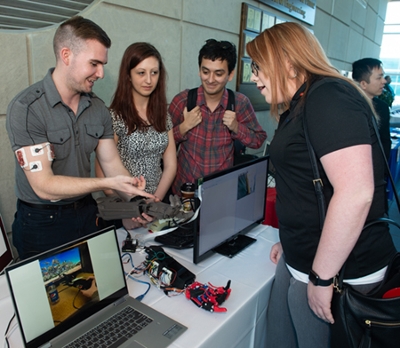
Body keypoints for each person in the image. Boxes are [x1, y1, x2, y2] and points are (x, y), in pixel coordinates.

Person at [246, 22, 396, 347]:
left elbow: (355, 193)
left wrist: (321, 276)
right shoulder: (304, 101)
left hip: (338, 270)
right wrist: (292, 238)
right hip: (307, 256)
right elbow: (308, 183)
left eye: (258, 67)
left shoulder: (327, 96)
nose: (254, 76)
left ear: (286, 61)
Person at [6, 16, 153, 260]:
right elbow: (45, 186)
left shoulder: (98, 109)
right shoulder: (27, 108)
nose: (101, 73)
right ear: (66, 56)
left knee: (100, 292)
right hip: (42, 222)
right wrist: (108, 183)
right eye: (94, 63)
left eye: (103, 64)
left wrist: (138, 200)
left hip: (87, 213)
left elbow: (111, 165)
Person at [168, 39, 267, 195]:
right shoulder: (182, 101)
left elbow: (259, 140)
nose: (211, 79)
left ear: (230, 74)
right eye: (205, 71)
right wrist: (183, 128)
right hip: (184, 192)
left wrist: (236, 127)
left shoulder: (240, 103)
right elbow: (159, 144)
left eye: (219, 73)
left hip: (221, 194)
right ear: (199, 70)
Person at [95, 42, 177, 229]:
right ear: (128, 76)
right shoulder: (113, 117)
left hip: (157, 207)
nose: (149, 80)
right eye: (141, 73)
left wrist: (153, 202)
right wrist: (132, 208)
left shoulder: (164, 115)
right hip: (125, 211)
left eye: (154, 73)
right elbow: (103, 178)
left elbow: (171, 165)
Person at [352, 58, 392, 160]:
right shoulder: (348, 107)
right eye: (379, 78)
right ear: (363, 84)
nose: (384, 81)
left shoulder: (382, 107)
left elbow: (385, 141)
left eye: (383, 76)